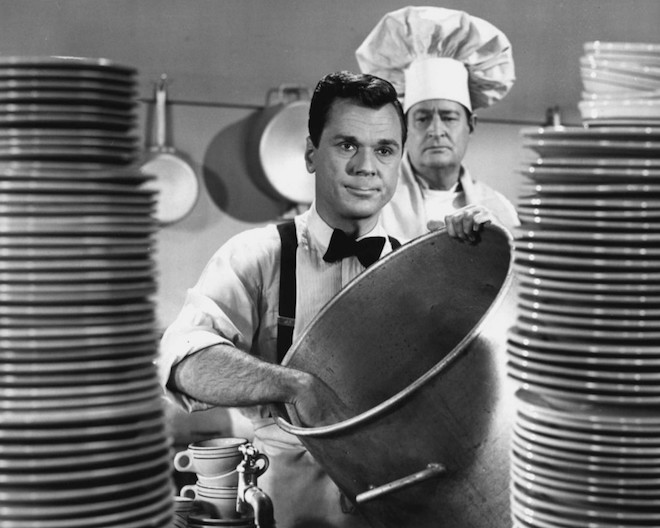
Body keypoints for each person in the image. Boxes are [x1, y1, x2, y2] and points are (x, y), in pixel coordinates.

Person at [158, 71, 406, 528]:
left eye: (384, 150)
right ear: (312, 155)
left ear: (399, 161)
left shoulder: (416, 267)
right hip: (292, 506)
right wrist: (296, 385)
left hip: (399, 503)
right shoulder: (257, 256)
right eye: (346, 145)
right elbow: (183, 362)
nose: (366, 166)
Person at [355, 6, 520, 244]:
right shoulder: (371, 199)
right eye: (422, 118)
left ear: (470, 125)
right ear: (403, 128)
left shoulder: (497, 209)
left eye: (449, 117)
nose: (435, 130)